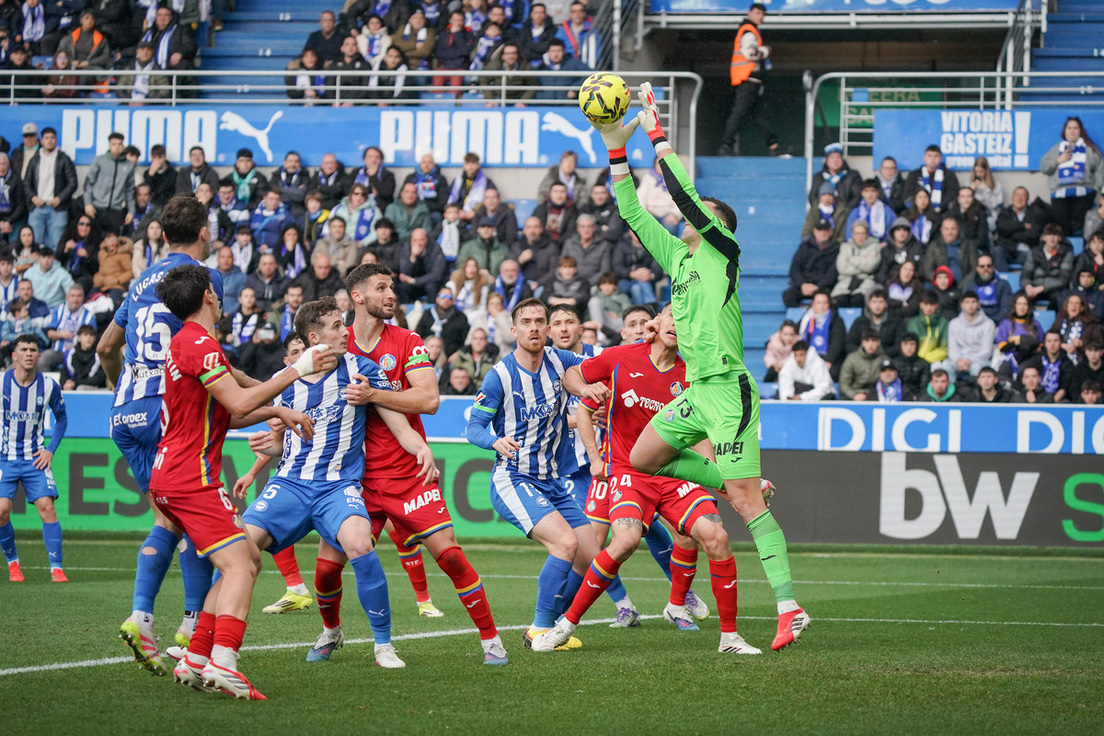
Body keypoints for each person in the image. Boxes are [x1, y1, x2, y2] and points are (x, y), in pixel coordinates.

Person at [591, 84, 810, 650]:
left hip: (730, 391)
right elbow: (633, 211)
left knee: (746, 507)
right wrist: (617, 149)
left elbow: (684, 197)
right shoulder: (679, 255)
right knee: (644, 457)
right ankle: (737, 484)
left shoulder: (722, 249)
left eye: (702, 212)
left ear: (719, 225)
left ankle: (789, 606)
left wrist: (656, 131)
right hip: (696, 390)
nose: (689, 215)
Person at [149, 263, 335, 700]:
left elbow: (225, 414)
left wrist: (275, 410)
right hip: (191, 477)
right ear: (210, 296)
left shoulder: (187, 342)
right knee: (240, 566)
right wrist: (297, 369)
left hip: (172, 474)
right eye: (217, 290)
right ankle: (224, 661)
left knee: (248, 557)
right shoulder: (200, 344)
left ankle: (196, 658)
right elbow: (236, 401)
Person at [234, 296, 446, 671]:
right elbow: (273, 430)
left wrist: (421, 449)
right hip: (290, 484)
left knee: (361, 545)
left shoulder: (361, 370)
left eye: (343, 323)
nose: (345, 331)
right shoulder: (286, 380)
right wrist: (270, 446)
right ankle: (209, 641)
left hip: (338, 487)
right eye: (336, 326)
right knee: (235, 550)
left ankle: (383, 646)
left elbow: (399, 426)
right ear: (314, 337)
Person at [311, 263, 508, 659]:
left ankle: (491, 639)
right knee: (327, 568)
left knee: (450, 556)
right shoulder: (335, 344)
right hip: (353, 480)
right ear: (357, 296)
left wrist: (373, 395)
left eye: (392, 287)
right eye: (381, 288)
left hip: (407, 472)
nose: (391, 294)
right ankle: (331, 631)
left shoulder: (407, 340)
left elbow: (429, 399)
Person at [536, 303, 757, 653]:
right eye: (673, 316)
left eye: (686, 320)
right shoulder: (620, 357)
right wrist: (586, 392)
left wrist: (723, 481)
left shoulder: (691, 377)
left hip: (672, 472)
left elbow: (701, 437)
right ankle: (565, 625)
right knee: (624, 541)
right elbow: (572, 375)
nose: (678, 324)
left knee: (716, 536)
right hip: (628, 472)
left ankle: (728, 637)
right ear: (658, 322)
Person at [98, 196, 235, 677]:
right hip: (169, 410)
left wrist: (121, 388)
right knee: (196, 514)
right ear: (204, 233)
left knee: (167, 515)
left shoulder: (139, 281)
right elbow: (206, 347)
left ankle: (142, 617)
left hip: (125, 412)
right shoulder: (202, 277)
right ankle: (192, 625)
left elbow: (106, 347)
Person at [465, 297, 604, 649]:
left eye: (540, 321)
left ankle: (553, 622)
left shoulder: (560, 359)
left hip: (550, 480)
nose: (534, 328)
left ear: (548, 328)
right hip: (513, 478)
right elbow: (473, 428)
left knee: (591, 556)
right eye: (526, 322)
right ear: (514, 330)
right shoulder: (500, 376)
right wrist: (495, 441)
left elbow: (603, 362)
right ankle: (540, 629)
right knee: (565, 544)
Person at [0, 334, 68, 584]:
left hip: (35, 459)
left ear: (39, 356)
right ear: (14, 355)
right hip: (4, 458)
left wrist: (50, 449)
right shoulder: (2, 382)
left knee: (47, 508)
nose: (28, 353)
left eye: (32, 350)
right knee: (1, 512)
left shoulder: (49, 385)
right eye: (24, 349)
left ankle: (57, 568)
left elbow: (62, 418)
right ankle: (13, 564)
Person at [718, 3, 775, 156]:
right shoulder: (749, 31)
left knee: (761, 116)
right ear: (750, 13)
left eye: (762, 14)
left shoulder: (751, 30)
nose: (760, 17)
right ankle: (726, 145)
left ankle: (774, 146)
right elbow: (750, 54)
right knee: (739, 113)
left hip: (752, 81)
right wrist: (766, 50)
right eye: (757, 13)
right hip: (747, 80)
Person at [1039, 116, 1103, 238]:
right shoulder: (1056, 149)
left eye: (1075, 128)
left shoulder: (1090, 150)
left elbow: (1099, 171)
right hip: (1059, 194)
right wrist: (1057, 161)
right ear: (1064, 131)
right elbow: (1044, 168)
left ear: (1080, 131)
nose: (1072, 131)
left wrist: (1096, 189)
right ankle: (1066, 248)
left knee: (1079, 227)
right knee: (1062, 228)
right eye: (1069, 128)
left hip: (1084, 193)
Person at [24, 127, 77, 250]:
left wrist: (60, 198)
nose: (50, 141)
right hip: (37, 208)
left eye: (52, 138)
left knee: (57, 245)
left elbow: (73, 183)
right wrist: (33, 198)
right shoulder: (35, 159)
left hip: (57, 209)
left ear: (56, 140)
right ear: (41, 141)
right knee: (35, 245)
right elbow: (26, 183)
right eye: (47, 138)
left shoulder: (64, 159)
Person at [783, 217, 839, 308]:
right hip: (804, 285)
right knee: (788, 296)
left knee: (835, 299)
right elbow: (795, 268)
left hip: (824, 287)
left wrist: (818, 287)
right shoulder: (805, 246)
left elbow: (833, 273)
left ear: (831, 232)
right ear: (814, 231)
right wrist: (802, 284)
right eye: (819, 230)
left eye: (825, 230)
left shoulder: (837, 249)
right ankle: (801, 316)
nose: (823, 233)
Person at [40, 283, 95, 371]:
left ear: (83, 298)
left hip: (78, 354)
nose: (75, 299)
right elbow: (50, 334)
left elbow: (92, 339)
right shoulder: (58, 310)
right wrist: (62, 334)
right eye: (72, 296)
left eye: (79, 296)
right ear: (67, 297)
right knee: (43, 359)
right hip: (58, 352)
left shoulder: (89, 316)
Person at [994, 185, 1047, 271]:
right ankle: (1003, 279)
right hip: (1007, 249)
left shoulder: (1034, 213)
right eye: (1017, 195)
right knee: (997, 251)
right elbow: (1001, 228)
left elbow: (1034, 234)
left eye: (1023, 196)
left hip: (1027, 251)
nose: (1019, 198)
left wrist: (1010, 233)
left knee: (1036, 257)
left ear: (1027, 199)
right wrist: (1023, 226)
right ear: (1012, 197)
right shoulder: (1005, 212)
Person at [994, 291, 1045, 380]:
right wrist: (1016, 342)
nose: (1022, 307)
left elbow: (1041, 345)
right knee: (1003, 370)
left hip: (1030, 358)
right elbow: (1002, 347)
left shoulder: (1035, 324)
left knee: (1024, 370)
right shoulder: (1006, 323)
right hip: (1011, 357)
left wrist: (1023, 340)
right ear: (1014, 306)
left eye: (1025, 304)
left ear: (1029, 307)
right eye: (1019, 304)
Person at [1021, 223, 1075, 308]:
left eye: (1055, 235)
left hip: (1055, 289)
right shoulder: (1035, 252)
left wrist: (1041, 288)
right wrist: (1028, 286)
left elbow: (1063, 279)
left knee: (1061, 298)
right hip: (1035, 286)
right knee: (1020, 298)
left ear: (1059, 238)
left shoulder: (1066, 253)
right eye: (1049, 235)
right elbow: (1026, 273)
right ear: (1044, 237)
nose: (1052, 238)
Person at [831, 220, 880, 308]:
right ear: (852, 234)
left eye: (862, 233)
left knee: (859, 299)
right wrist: (863, 261)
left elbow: (870, 266)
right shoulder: (845, 246)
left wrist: (851, 259)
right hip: (845, 281)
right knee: (840, 299)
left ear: (867, 234)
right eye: (857, 233)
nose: (860, 236)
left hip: (866, 280)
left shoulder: (875, 246)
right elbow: (842, 268)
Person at [947, 291, 995, 380]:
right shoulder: (953, 323)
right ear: (962, 305)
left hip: (980, 361)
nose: (970, 305)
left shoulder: (989, 324)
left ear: (978, 304)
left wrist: (970, 361)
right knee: (946, 367)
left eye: (973, 302)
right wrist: (959, 361)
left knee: (976, 368)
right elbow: (952, 348)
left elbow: (986, 351)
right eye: (967, 302)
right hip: (959, 360)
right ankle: (952, 389)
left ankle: (976, 389)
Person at [799, 289, 846, 380]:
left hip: (828, 357)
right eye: (818, 303)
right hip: (809, 357)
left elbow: (837, 343)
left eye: (825, 303)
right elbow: (794, 332)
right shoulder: (807, 318)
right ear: (813, 304)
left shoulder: (836, 320)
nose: (822, 306)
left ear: (829, 304)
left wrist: (829, 360)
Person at [920, 216, 979, 284]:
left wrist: (963, 284)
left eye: (953, 229)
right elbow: (927, 270)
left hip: (964, 284)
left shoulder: (968, 245)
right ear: (941, 230)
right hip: (940, 284)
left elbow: (974, 268)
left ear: (958, 229)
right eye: (946, 229)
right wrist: (940, 281)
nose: (950, 232)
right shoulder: (934, 245)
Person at [847, 289, 904, 359]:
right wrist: (863, 354)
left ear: (886, 304)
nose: (877, 305)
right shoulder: (860, 321)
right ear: (869, 304)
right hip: (862, 359)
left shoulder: (895, 321)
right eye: (874, 302)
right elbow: (850, 343)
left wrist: (882, 354)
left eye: (881, 302)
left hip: (887, 358)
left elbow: (899, 345)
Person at [903, 144, 960, 214]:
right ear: (924, 157)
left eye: (936, 156)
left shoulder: (949, 175)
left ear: (941, 158)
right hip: (917, 213)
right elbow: (907, 195)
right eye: (929, 156)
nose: (932, 159)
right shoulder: (914, 175)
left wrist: (940, 208)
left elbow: (952, 195)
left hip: (942, 213)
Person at [1020, 330, 1074, 403]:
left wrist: (1049, 404)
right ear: (1044, 343)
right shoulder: (1036, 360)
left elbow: (1064, 388)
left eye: (1055, 341)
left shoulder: (1067, 363)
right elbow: (1027, 379)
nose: (1052, 344)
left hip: (1056, 400)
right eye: (1049, 341)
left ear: (1061, 343)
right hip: (1037, 397)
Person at [416, 285, 469, 356]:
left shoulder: (460, 317)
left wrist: (458, 353)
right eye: (443, 296)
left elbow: (466, 341)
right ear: (437, 299)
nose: (446, 300)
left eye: (450, 297)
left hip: (450, 356)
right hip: (426, 355)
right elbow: (417, 335)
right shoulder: (428, 314)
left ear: (453, 301)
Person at [397, 227, 446, 304]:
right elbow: (404, 273)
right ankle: (404, 309)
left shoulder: (436, 249)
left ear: (426, 240)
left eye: (421, 240)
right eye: (414, 240)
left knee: (431, 286)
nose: (417, 244)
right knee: (403, 287)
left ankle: (432, 309)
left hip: (428, 282)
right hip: (412, 284)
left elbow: (436, 274)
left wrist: (414, 281)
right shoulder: (406, 249)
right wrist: (413, 257)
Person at [807, 143, 863, 210]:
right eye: (832, 157)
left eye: (838, 157)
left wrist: (844, 211)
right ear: (826, 160)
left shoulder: (853, 176)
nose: (835, 160)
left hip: (846, 213)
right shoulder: (818, 177)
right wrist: (822, 210)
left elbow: (857, 196)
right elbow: (812, 197)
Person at [907, 291, 950, 373]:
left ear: (937, 305)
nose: (929, 308)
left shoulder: (944, 323)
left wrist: (925, 360)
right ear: (921, 305)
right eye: (926, 304)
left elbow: (945, 348)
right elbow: (911, 345)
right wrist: (919, 360)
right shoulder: (913, 323)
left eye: (932, 304)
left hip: (936, 361)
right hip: (915, 361)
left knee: (939, 366)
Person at [962, 254, 1012, 324]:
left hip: (996, 323)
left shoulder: (1003, 285)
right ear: (977, 268)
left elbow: (1006, 309)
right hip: (973, 323)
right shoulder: (969, 286)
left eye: (989, 266)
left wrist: (992, 323)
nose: (986, 269)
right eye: (982, 266)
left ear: (993, 267)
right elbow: (963, 308)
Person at [1051, 293, 1101, 363]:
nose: (1073, 306)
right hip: (1059, 360)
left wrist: (1082, 343)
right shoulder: (1059, 320)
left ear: (1082, 308)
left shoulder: (1090, 324)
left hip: (1082, 361)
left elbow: (1099, 343)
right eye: (1071, 303)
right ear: (1066, 306)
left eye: (1077, 303)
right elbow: (1049, 337)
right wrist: (1062, 345)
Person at [403, 151, 449, 227]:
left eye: (429, 162)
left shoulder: (440, 179)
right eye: (424, 162)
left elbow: (443, 202)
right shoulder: (411, 178)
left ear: (434, 165)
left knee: (436, 217)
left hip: (431, 210)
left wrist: (425, 207)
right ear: (420, 164)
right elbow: (401, 196)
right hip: (412, 208)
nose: (426, 165)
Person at [839, 329, 885, 401]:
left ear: (879, 343)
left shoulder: (885, 360)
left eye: (874, 340)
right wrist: (854, 395)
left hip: (876, 396)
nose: (870, 344)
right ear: (862, 343)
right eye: (867, 341)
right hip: (854, 395)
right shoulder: (852, 359)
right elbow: (844, 384)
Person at [555, 1, 601, 68]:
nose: (577, 14)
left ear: (584, 13)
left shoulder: (593, 31)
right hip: (566, 66)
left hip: (587, 67)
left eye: (580, 11)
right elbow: (556, 49)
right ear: (570, 14)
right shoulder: (562, 31)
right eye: (574, 11)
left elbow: (597, 52)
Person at [60, 323, 105, 390]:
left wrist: (75, 383)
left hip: (94, 389)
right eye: (85, 335)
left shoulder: (100, 355)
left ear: (95, 338)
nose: (88, 338)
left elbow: (99, 379)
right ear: (79, 338)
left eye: (91, 335)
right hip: (72, 387)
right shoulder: (70, 355)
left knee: (81, 388)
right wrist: (66, 383)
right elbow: (64, 375)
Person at [532, 180, 578, 245]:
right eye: (556, 192)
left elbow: (570, 232)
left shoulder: (572, 210)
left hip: (563, 245)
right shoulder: (541, 208)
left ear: (566, 194)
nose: (559, 195)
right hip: (542, 244)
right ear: (550, 194)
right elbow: (534, 228)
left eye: (562, 192)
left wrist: (557, 244)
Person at [968, 156, 1004, 229]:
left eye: (981, 171)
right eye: (976, 171)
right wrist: (970, 191)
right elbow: (965, 206)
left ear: (986, 171)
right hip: (973, 218)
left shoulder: (996, 186)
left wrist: (986, 190)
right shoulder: (969, 185)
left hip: (990, 217)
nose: (978, 174)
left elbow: (994, 205)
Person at [0, 152, 27, 246]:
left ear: (8, 164)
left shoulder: (16, 179)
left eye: (4, 164)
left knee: (14, 245)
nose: (1, 167)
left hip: (15, 219)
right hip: (0, 219)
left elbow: (21, 205)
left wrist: (9, 221)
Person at [893, 332, 930, 397]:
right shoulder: (894, 364)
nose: (909, 347)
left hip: (917, 397)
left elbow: (924, 386)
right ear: (900, 345)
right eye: (905, 344)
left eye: (912, 344)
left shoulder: (923, 364)